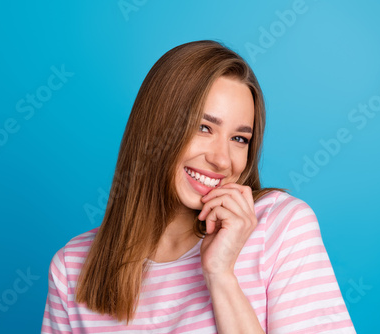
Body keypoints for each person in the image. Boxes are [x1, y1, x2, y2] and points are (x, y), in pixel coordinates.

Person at [41, 40, 356, 333]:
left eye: (239, 139)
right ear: (155, 128)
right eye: (204, 127)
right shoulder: (72, 268)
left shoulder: (279, 226)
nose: (222, 160)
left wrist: (220, 276)